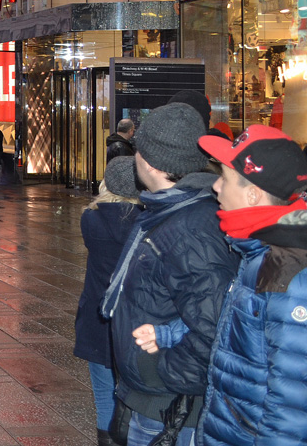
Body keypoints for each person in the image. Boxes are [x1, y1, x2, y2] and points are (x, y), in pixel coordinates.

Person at [100, 103, 238, 446]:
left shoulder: (190, 227)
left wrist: (164, 371)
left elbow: (215, 326)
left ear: (148, 161)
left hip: (168, 407)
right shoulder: (170, 211)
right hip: (150, 397)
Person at [186, 125, 307, 446]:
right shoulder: (262, 249)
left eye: (225, 178)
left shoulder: (288, 271)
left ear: (253, 194)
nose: (215, 187)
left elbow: (295, 408)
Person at [75, 157, 143, 444]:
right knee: (137, 396)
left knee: (104, 397)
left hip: (97, 316)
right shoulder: (147, 220)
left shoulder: (90, 218)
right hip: (136, 319)